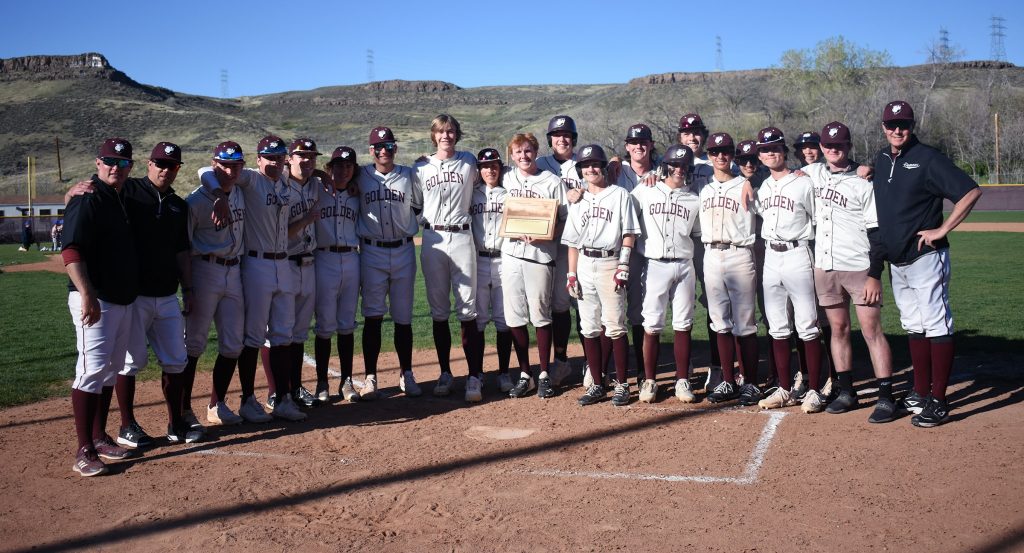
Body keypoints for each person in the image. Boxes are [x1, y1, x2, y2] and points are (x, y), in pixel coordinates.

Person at [66, 141, 200, 445]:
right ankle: (126, 425)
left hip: (166, 293)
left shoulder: (179, 204)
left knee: (175, 358)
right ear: (148, 164)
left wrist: (188, 288)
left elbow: (182, 251)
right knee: (127, 362)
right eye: (160, 163)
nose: (165, 170)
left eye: (172, 165)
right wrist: (71, 192)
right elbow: (88, 199)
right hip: (132, 293)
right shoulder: (127, 191)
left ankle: (176, 422)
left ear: (178, 169)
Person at [871, 100, 981, 427]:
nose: (897, 129)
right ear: (883, 127)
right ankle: (920, 392)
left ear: (912, 125)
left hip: (925, 257)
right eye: (891, 124)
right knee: (913, 324)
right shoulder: (880, 158)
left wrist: (944, 228)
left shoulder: (928, 158)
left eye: (903, 124)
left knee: (936, 324)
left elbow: (970, 192)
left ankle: (939, 400)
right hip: (897, 260)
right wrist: (866, 170)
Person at [201, 136, 306, 422]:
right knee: (254, 336)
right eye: (268, 158)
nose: (274, 163)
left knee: (284, 335)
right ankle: (248, 399)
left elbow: (304, 170)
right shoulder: (249, 179)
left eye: (279, 158)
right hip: (256, 263)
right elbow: (206, 172)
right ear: (258, 159)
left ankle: (282, 398)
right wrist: (220, 196)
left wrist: (320, 173)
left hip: (283, 262)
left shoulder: (284, 179)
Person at [802, 121, 896, 422]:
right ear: (821, 147)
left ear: (848, 146)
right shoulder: (812, 172)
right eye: (828, 145)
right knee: (838, 329)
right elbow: (781, 176)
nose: (833, 149)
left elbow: (877, 231)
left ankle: (885, 396)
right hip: (825, 265)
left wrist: (874, 273)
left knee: (871, 330)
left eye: (839, 145)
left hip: (858, 266)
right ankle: (847, 391)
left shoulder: (862, 181)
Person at [62, 138, 139, 476]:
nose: (115, 168)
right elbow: (71, 252)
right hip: (95, 298)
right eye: (109, 161)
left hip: (121, 298)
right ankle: (83, 449)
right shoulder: (88, 198)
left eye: (122, 163)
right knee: (91, 370)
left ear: (129, 168)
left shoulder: (120, 197)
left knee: (110, 370)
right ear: (97, 162)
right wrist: (87, 294)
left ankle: (98, 436)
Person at [185, 141, 261, 425]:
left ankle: (216, 405)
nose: (230, 170)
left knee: (232, 344)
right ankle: (183, 409)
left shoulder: (242, 190)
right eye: (224, 165)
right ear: (214, 163)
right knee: (193, 344)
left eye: (235, 164)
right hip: (205, 269)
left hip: (234, 271)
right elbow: (184, 247)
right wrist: (188, 286)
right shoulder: (195, 201)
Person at [751, 128, 825, 412]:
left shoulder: (804, 183)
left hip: (798, 253)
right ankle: (784, 388)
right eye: (765, 150)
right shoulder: (764, 187)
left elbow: (818, 219)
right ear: (760, 155)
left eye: (775, 148)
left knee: (807, 324)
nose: (771, 153)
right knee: (778, 326)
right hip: (771, 255)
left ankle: (815, 389)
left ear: (784, 150)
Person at [562, 145, 640, 406]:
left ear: (604, 167)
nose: (591, 169)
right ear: (580, 170)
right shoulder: (577, 200)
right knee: (589, 327)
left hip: (610, 262)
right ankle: (597, 382)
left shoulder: (620, 195)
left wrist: (624, 265)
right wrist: (571, 274)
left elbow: (629, 233)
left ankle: (622, 384)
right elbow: (572, 241)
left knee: (615, 326)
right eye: (586, 165)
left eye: (596, 164)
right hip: (584, 263)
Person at [414, 114, 484, 401]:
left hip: (463, 235)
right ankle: (445, 372)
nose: (446, 136)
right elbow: (413, 202)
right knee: (439, 310)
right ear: (434, 135)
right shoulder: (420, 167)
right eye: (441, 131)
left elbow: (497, 173)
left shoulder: (469, 161)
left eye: (451, 131)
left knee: (468, 309)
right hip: (433, 238)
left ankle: (474, 375)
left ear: (457, 134)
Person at [631, 144, 701, 403]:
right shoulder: (645, 190)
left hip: (684, 264)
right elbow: (626, 216)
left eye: (684, 166)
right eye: (675, 165)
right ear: (665, 166)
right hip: (654, 264)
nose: (679, 170)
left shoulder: (694, 199)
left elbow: (696, 233)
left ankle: (682, 379)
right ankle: (650, 380)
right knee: (652, 323)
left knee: (683, 323)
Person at [357, 127, 423, 396]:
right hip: (371, 252)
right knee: (373, 316)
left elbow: (418, 206)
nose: (384, 150)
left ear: (395, 148)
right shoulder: (360, 176)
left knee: (403, 317)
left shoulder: (409, 175)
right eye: (378, 147)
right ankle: (370, 377)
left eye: (389, 146)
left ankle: (406, 373)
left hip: (403, 250)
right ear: (371, 150)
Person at [501, 132, 568, 399]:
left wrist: (547, 233)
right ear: (512, 155)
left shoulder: (551, 181)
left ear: (536, 151)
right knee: (515, 316)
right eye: (518, 152)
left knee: (540, 314)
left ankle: (543, 374)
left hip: (541, 254)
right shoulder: (507, 177)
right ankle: (525, 374)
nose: (523, 156)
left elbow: (564, 218)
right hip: (511, 253)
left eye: (528, 151)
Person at [697, 133, 761, 404]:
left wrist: (752, 181)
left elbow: (772, 182)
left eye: (725, 151)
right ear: (709, 155)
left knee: (744, 321)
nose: (720, 156)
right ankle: (727, 380)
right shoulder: (705, 189)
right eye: (715, 152)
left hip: (739, 253)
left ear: (732, 155)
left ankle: (751, 382)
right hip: (711, 254)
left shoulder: (745, 184)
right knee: (719, 321)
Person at [312, 147, 368, 402]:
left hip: (351, 258)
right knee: (324, 324)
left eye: (348, 166)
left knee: (346, 323)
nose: (343, 170)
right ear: (329, 167)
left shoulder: (358, 194)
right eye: (337, 165)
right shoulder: (317, 189)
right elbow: (296, 172)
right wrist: (320, 176)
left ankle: (346, 382)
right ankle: (321, 383)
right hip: (324, 258)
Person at [535, 115, 583, 387]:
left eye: (567, 135)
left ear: (574, 139)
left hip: (581, 243)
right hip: (551, 241)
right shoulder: (540, 164)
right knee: (559, 305)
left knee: (586, 304)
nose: (562, 139)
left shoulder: (587, 163)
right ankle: (562, 361)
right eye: (556, 134)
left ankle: (592, 361)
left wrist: (613, 162)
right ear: (550, 139)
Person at [615, 124, 659, 386]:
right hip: (621, 246)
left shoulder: (663, 170)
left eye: (643, 142)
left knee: (647, 308)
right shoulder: (616, 169)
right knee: (622, 307)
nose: (638, 146)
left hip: (650, 246)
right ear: (626, 145)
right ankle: (608, 368)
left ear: (651, 145)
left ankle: (646, 370)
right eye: (634, 142)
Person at [283, 138, 324, 406]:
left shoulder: (315, 185)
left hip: (309, 263)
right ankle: (279, 392)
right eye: (301, 156)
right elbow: (281, 233)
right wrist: (308, 219)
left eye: (311, 157)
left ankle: (295, 388)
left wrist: (321, 174)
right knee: (279, 332)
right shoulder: (279, 185)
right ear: (289, 158)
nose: (307, 160)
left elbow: (339, 174)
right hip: (285, 263)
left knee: (299, 333)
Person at [470, 148, 512, 397]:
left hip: (503, 259)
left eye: (494, 165)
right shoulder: (471, 194)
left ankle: (504, 372)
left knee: (504, 319)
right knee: (477, 321)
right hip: (477, 259)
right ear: (479, 169)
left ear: (501, 167)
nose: (490, 170)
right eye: (485, 166)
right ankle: (476, 374)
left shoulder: (510, 194)